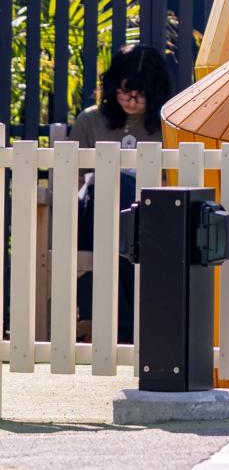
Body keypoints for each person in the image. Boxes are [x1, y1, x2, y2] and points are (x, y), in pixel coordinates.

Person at [72, 44, 172, 342]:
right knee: (107, 180)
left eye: (140, 94)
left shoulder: (167, 126)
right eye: (124, 91)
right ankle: (126, 329)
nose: (130, 100)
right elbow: (71, 176)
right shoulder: (90, 120)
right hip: (94, 214)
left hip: (147, 217)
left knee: (125, 220)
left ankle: (122, 327)